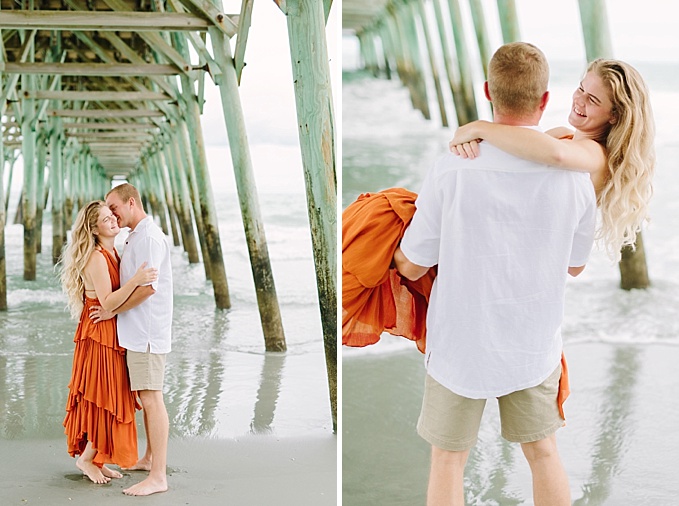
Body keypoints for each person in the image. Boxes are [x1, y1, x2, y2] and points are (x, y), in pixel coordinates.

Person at [393, 42, 597, 506]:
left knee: (448, 459)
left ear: (487, 92)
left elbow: (413, 262)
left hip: (460, 344)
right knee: (543, 453)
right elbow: (576, 264)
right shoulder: (575, 176)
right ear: (545, 101)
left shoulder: (453, 168)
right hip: (532, 343)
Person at [449, 58, 655, 260]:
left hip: (519, 252)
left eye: (592, 100)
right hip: (498, 236)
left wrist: (478, 128)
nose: (579, 100)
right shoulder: (562, 136)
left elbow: (557, 155)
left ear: (614, 115)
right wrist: (473, 143)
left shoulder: (596, 155)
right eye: (581, 89)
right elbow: (510, 160)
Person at [60, 201, 157, 484]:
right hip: (99, 334)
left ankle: (98, 458)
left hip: (107, 330)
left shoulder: (111, 251)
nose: (114, 220)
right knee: (104, 396)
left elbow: (110, 303)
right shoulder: (97, 257)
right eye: (105, 219)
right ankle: (87, 459)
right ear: (93, 229)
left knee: (108, 394)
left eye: (112, 216)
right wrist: (137, 279)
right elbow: (108, 301)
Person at [91, 183, 173, 496]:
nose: (111, 214)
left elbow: (149, 287)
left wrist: (114, 311)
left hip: (147, 331)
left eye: (114, 207)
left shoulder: (149, 237)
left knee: (152, 399)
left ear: (131, 202)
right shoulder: (136, 235)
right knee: (146, 398)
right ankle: (150, 458)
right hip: (139, 330)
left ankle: (158, 476)